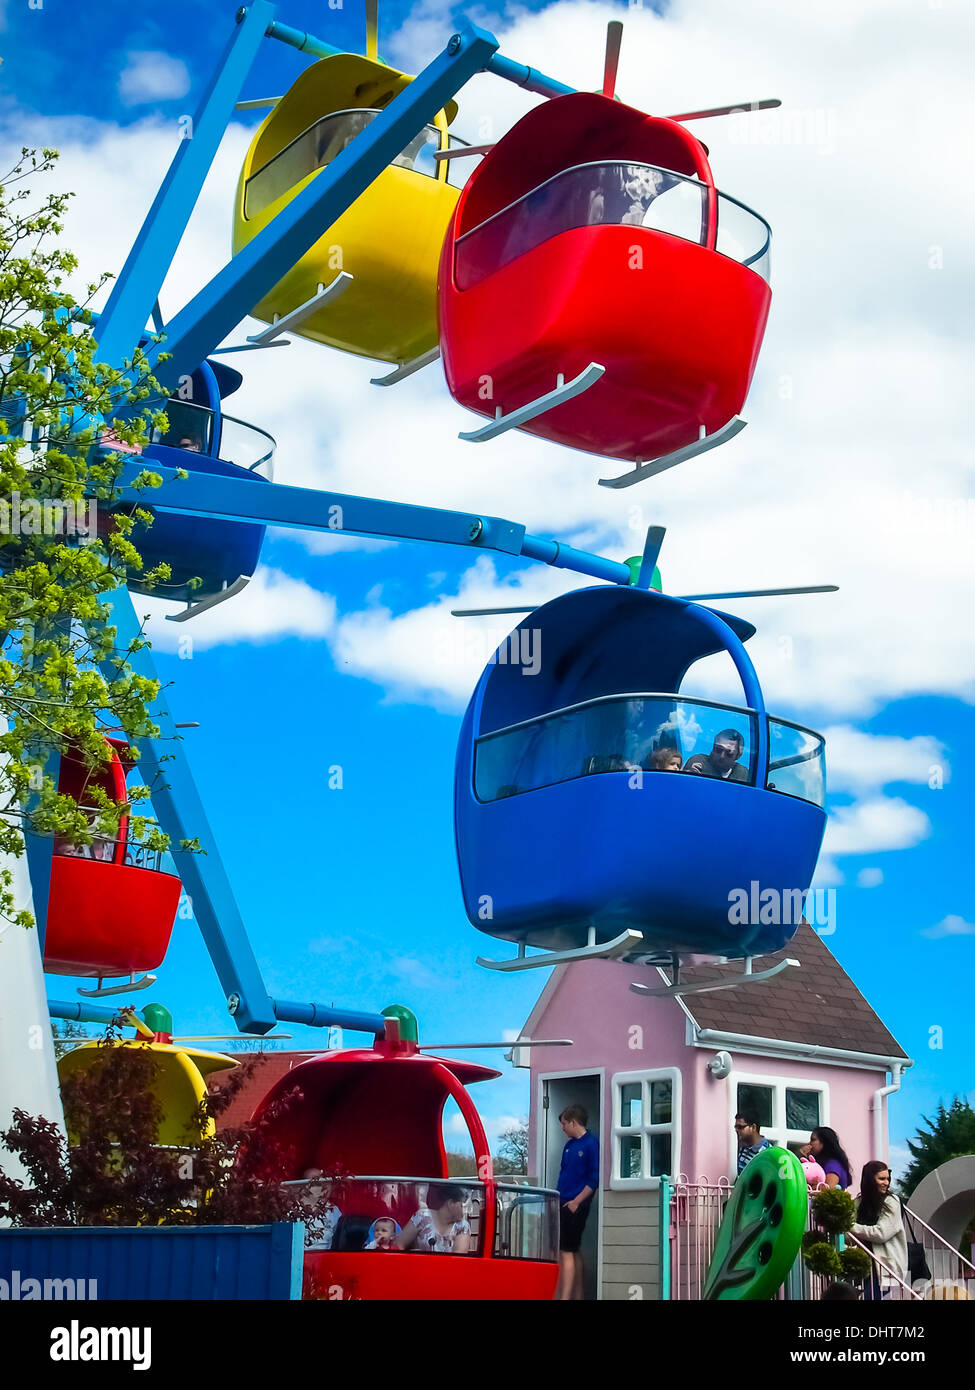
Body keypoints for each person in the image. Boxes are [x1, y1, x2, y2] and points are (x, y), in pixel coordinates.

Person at [554, 1103, 599, 1301]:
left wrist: (576, 1201)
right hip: (562, 1201)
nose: (562, 1128)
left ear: (573, 1122)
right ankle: (578, 1295)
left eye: (564, 1124)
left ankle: (564, 1297)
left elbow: (594, 1179)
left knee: (566, 1251)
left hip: (576, 1204)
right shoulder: (569, 1145)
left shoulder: (591, 1144)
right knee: (573, 1249)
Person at [851, 1160, 908, 1299]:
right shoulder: (858, 1203)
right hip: (861, 1266)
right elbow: (847, 1237)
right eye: (881, 1178)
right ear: (870, 1180)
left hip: (885, 1268)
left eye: (887, 1178)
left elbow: (882, 1233)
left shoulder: (891, 1201)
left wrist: (849, 1226)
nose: (886, 1183)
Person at [397, 1183, 470, 1254]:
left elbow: (458, 1258)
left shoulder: (463, 1226)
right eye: (461, 1205)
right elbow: (398, 1244)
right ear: (451, 1204)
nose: (463, 1211)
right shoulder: (422, 1217)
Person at [299, 1166, 341, 1250]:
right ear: (304, 1187)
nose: (323, 1185)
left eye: (324, 1181)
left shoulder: (333, 1210)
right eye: (316, 1181)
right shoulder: (292, 1210)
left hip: (325, 1259)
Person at [683, 729, 749, 782]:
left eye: (729, 753)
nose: (722, 756)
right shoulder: (698, 762)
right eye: (718, 750)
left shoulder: (744, 774)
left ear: (738, 756)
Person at [734, 1110, 772, 1174]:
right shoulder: (743, 1147)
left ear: (753, 1127)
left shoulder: (767, 1152)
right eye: (736, 1127)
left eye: (740, 1127)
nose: (736, 1130)